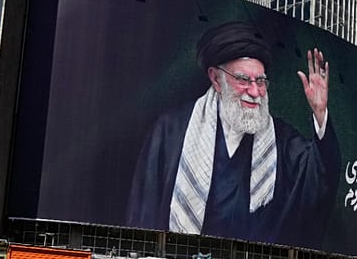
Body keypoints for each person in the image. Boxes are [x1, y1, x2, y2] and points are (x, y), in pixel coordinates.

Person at [126, 22, 340, 247]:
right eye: (243, 80)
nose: (255, 92)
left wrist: (320, 113)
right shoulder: (172, 130)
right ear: (216, 79)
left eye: (260, 81)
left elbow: (318, 176)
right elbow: (144, 213)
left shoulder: (281, 139)